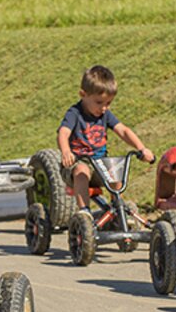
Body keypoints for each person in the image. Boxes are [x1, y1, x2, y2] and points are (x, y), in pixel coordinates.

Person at [57, 65, 153, 210]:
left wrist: (141, 148)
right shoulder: (75, 113)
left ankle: (117, 207)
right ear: (83, 94)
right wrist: (66, 152)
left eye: (108, 103)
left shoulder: (105, 114)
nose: (103, 108)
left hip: (99, 164)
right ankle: (85, 212)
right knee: (82, 171)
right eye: (99, 102)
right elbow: (63, 132)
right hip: (76, 164)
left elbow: (123, 130)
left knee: (115, 168)